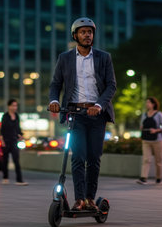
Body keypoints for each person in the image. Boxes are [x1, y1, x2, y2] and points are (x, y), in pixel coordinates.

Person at [49, 17, 116, 211]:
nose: (87, 35)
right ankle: (79, 199)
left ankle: (90, 198)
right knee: (78, 157)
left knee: (94, 158)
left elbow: (111, 85)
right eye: (83, 32)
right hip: (75, 114)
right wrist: (54, 101)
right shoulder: (65, 58)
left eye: (90, 32)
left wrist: (99, 105)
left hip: (97, 114)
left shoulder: (104, 57)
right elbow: (56, 84)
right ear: (75, 35)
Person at [137, 97, 162, 185]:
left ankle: (158, 177)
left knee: (158, 161)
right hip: (146, 140)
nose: (147, 104)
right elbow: (141, 125)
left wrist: (156, 130)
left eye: (149, 103)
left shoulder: (159, 114)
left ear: (153, 104)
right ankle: (143, 178)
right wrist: (142, 127)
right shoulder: (144, 115)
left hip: (157, 140)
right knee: (146, 159)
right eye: (146, 103)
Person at [0, 99, 28, 186]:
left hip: (14, 141)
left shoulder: (16, 116)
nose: (15, 107)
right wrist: (2, 140)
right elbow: (2, 129)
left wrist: (20, 135)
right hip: (6, 141)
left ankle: (19, 180)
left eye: (16, 105)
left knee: (16, 160)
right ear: (9, 106)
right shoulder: (5, 116)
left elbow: (17, 128)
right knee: (5, 161)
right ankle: (5, 178)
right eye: (13, 105)